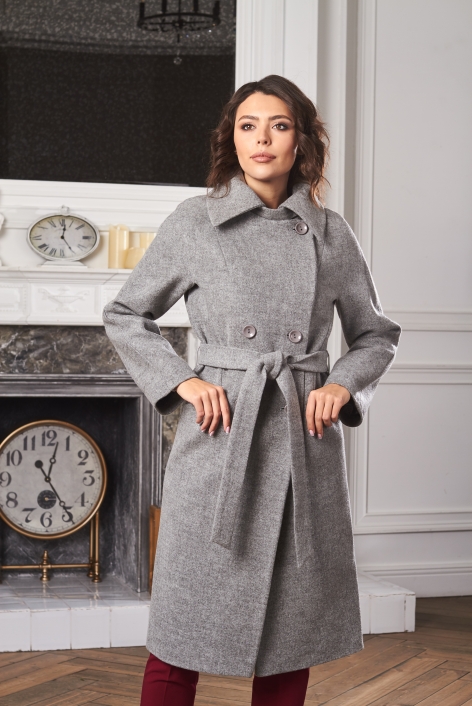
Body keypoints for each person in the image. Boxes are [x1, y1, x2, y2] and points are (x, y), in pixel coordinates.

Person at [102, 74, 401, 706]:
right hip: (220, 440)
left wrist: (342, 385)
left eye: (279, 125)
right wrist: (183, 379)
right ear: (232, 141)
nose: (262, 139)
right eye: (248, 126)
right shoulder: (196, 221)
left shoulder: (331, 233)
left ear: (301, 142)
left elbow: (376, 335)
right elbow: (126, 314)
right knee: (180, 630)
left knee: (292, 634)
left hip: (302, 443)